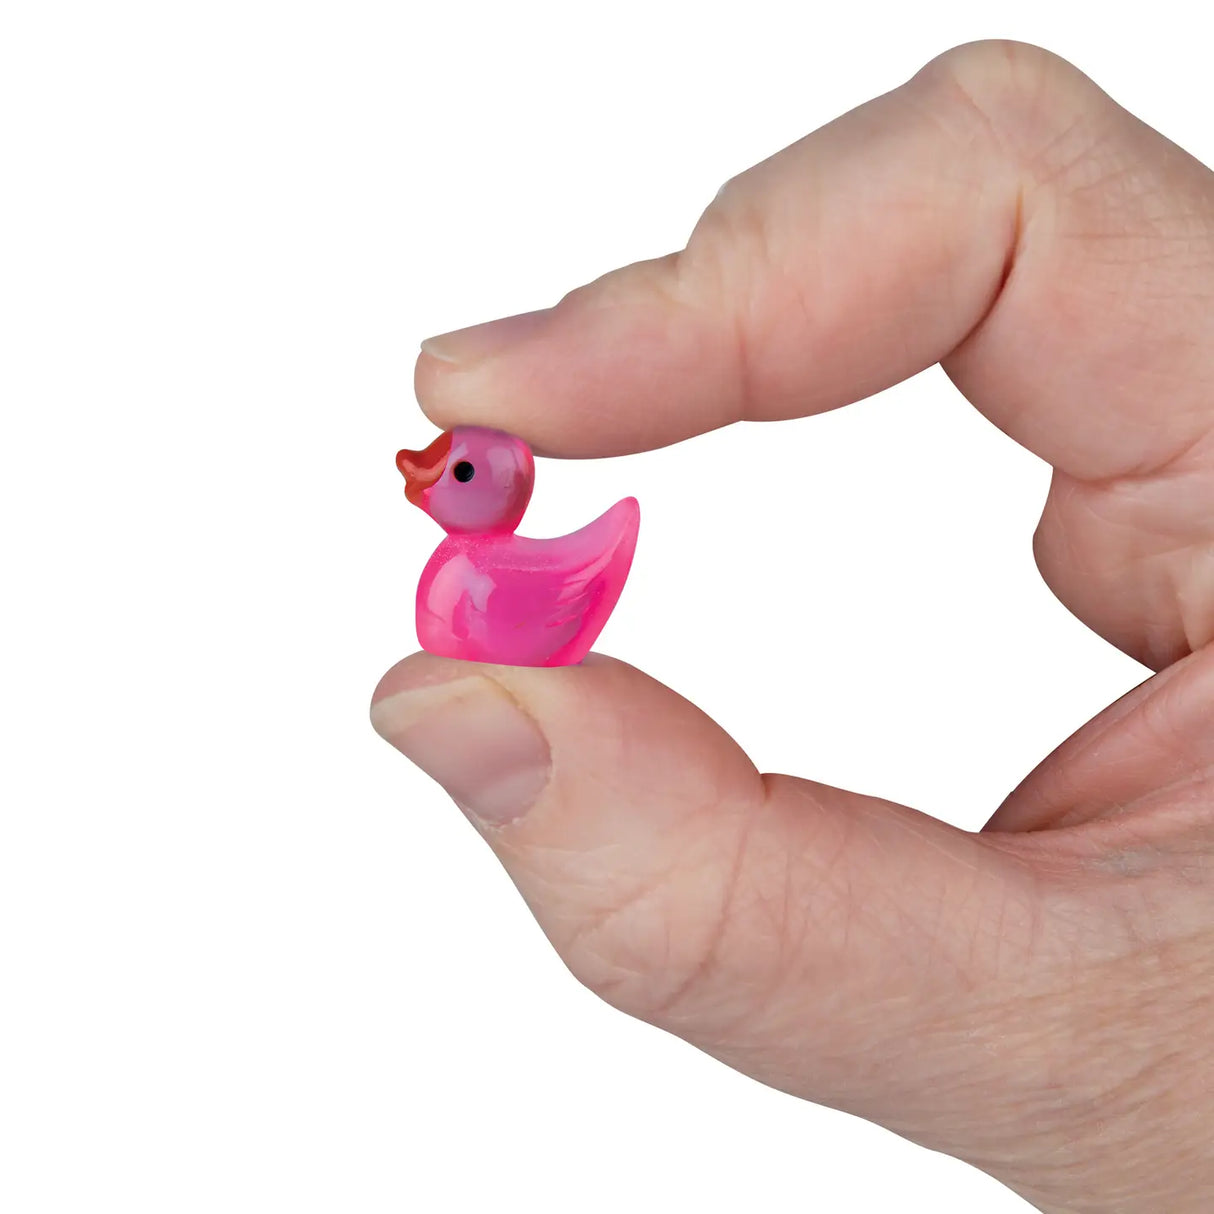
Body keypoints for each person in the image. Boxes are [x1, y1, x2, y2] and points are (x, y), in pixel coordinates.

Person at [371, 41, 1214, 1213]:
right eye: (442, 473)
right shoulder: (471, 576)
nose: (429, 479)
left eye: (449, 471)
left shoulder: (489, 578)